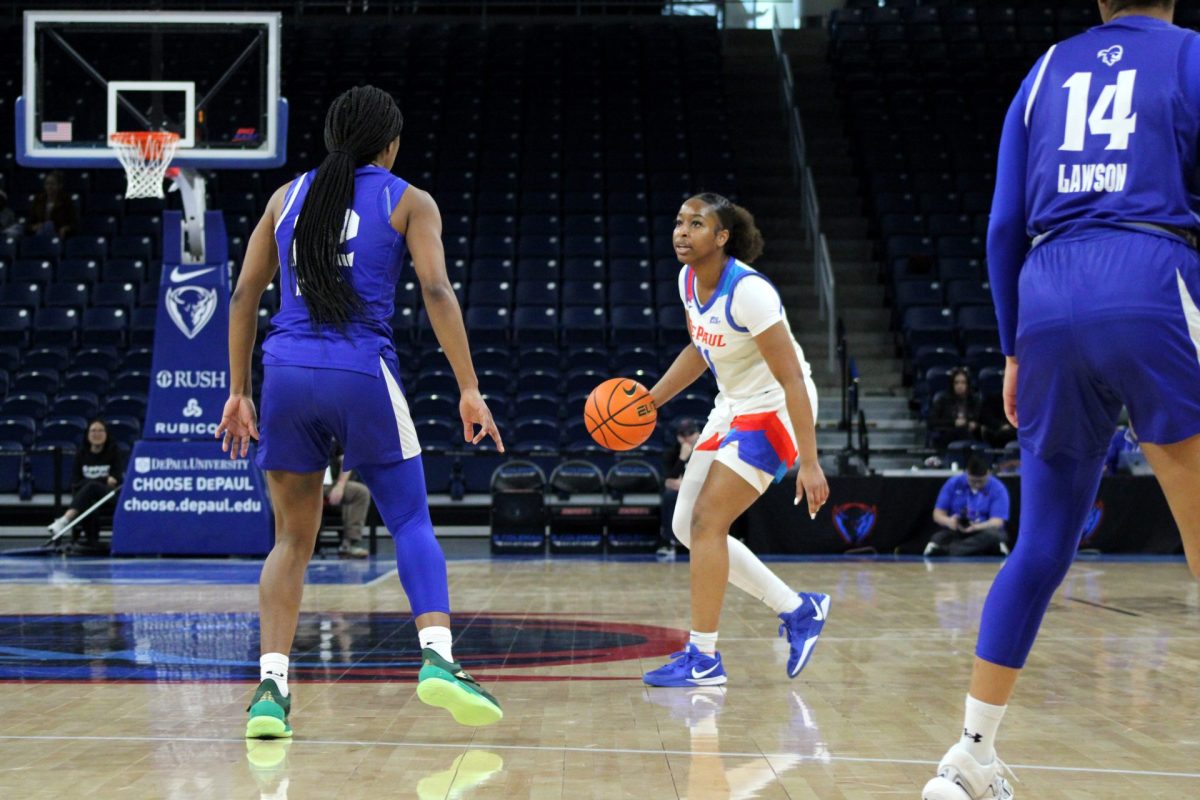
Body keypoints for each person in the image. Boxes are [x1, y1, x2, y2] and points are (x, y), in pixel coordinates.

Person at [923, 3, 1200, 798]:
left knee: (1040, 547)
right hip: (1152, 274)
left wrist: (1013, 347)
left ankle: (970, 753)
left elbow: (1003, 225)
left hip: (1045, 293)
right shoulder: (1188, 56)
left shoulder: (1043, 70)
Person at [217, 85, 505, 739]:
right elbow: (435, 288)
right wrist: (468, 386)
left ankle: (270, 692)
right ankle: (438, 659)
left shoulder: (284, 197)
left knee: (291, 540)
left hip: (286, 375)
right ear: (392, 143)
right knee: (408, 517)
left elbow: (241, 294)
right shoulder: (408, 199)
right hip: (360, 374)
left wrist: (239, 390)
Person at [641, 192, 831, 688]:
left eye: (696, 224)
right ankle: (798, 608)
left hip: (775, 406)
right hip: (733, 403)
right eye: (680, 221)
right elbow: (700, 349)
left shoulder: (750, 292)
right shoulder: (687, 280)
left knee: (708, 521)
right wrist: (652, 400)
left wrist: (809, 461)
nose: (682, 231)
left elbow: (792, 380)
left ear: (722, 238)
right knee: (687, 526)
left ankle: (703, 657)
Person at [47, 419, 124, 547]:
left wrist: (97, 482)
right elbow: (76, 483)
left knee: (92, 486)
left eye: (100, 431)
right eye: (93, 431)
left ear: (106, 434)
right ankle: (92, 543)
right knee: (89, 500)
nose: (97, 434)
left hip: (109, 498)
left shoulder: (114, 452)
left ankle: (65, 520)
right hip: (87, 500)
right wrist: (104, 479)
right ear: (87, 435)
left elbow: (116, 481)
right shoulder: (80, 454)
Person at [924, 458, 1010, 558]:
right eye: (973, 481)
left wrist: (976, 527)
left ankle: (949, 551)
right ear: (966, 474)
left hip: (983, 529)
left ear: (988, 474)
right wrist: (950, 522)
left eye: (981, 481)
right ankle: (972, 549)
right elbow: (937, 515)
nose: (977, 484)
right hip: (958, 529)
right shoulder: (953, 483)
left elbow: (997, 522)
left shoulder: (998, 487)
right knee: (938, 537)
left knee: (996, 536)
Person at [658, 417, 700, 559]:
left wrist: (686, 485)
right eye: (683, 435)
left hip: (702, 489)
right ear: (678, 437)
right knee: (669, 496)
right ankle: (669, 542)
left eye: (690, 434)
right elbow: (668, 480)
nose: (687, 438)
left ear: (698, 434)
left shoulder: (705, 451)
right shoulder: (671, 453)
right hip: (680, 492)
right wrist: (682, 458)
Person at [324, 439, 370, 558]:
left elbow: (345, 460)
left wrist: (340, 485)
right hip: (307, 482)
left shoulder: (335, 434)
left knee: (360, 492)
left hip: (328, 484)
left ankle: (348, 544)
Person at [928, 368, 981, 452]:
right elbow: (932, 421)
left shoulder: (974, 400)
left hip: (969, 433)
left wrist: (974, 424)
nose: (960, 386)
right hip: (948, 434)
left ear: (967, 384)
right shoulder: (943, 400)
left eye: (963, 382)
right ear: (952, 384)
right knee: (961, 431)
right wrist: (954, 423)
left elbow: (979, 419)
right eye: (956, 383)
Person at [26, 170, 78, 239]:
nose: (49, 187)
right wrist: (34, 227)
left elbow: (74, 223)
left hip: (58, 233)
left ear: (60, 186)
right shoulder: (38, 200)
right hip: (41, 231)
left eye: (53, 184)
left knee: (49, 225)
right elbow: (29, 223)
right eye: (47, 184)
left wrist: (65, 228)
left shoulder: (66, 201)